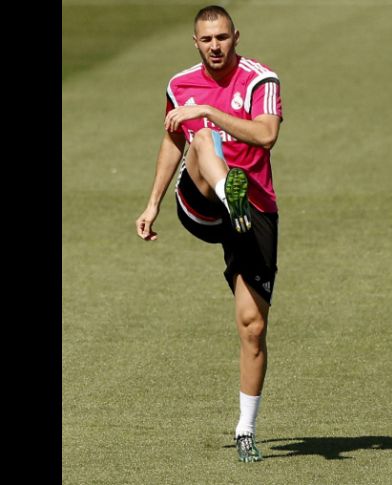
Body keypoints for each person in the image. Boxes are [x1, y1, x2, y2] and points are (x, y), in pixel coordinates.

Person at [134, 5, 283, 463]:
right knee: (200, 140)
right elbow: (173, 140)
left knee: (252, 327)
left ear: (236, 37)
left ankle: (244, 431)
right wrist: (153, 201)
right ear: (195, 43)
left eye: (222, 37)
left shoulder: (261, 81)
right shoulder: (180, 85)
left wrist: (210, 111)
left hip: (255, 210)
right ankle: (226, 191)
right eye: (206, 39)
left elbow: (266, 135)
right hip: (200, 202)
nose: (215, 46)